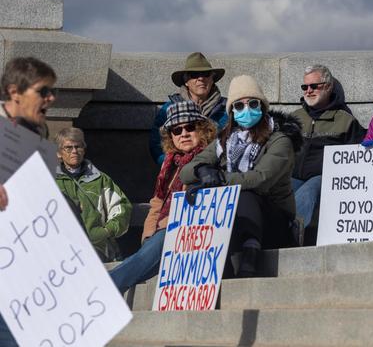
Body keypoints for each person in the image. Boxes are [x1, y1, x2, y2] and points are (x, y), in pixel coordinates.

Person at [181, 75, 302, 277]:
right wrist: (201, 170)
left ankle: (250, 257)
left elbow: (260, 179)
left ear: (262, 106)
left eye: (252, 103)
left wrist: (219, 178)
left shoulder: (280, 140)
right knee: (200, 193)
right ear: (232, 112)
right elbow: (186, 172)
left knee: (245, 193)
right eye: (238, 106)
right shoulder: (225, 140)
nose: (246, 109)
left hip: (273, 220)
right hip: (235, 218)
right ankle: (218, 269)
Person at [110, 101, 217, 292]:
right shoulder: (169, 165)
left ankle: (106, 286)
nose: (183, 134)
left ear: (202, 130)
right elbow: (157, 204)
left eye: (190, 127)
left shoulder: (212, 158)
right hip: (163, 233)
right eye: (176, 130)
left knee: (141, 260)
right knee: (142, 261)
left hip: (190, 231)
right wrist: (148, 237)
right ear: (171, 137)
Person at [0, 56, 57, 346]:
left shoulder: (38, 133)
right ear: (14, 92)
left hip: (21, 268)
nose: (51, 98)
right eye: (43, 91)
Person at [292, 65, 366, 244]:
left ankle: (293, 240)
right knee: (279, 191)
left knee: (307, 193)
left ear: (328, 87)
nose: (308, 91)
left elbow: (357, 157)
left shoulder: (344, 119)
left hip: (325, 177)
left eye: (314, 86)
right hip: (293, 175)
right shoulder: (295, 117)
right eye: (305, 87)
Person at [55, 127, 132, 262]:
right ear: (59, 153)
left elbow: (122, 208)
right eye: (68, 148)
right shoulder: (50, 180)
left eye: (78, 146)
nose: (74, 151)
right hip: (60, 249)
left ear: (84, 150)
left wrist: (106, 231)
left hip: (97, 249)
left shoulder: (100, 179)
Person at [149, 52, 228, 165]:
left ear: (212, 78)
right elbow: (156, 144)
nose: (201, 78)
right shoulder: (168, 108)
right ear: (186, 81)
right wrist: (173, 164)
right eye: (194, 74)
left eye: (206, 74)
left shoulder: (228, 109)